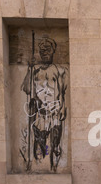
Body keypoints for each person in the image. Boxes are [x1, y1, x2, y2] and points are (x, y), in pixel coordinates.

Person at [20, 35, 68, 172]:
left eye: (48, 49)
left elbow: (63, 92)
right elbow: (27, 89)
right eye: (42, 50)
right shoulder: (35, 71)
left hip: (55, 113)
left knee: (55, 144)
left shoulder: (60, 71)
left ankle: (54, 167)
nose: (45, 53)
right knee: (40, 144)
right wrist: (29, 69)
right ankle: (38, 167)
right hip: (40, 114)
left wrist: (63, 108)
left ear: (53, 51)